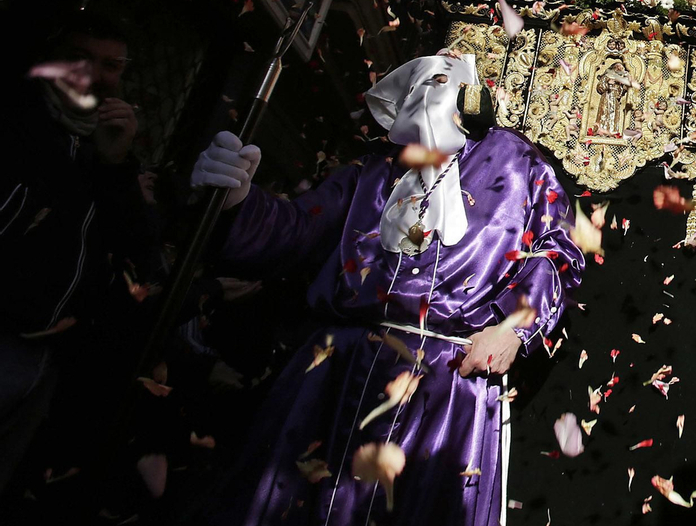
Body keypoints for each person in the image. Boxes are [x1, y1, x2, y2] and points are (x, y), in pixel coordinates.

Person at [190, 52, 584, 525]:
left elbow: (558, 252)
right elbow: (293, 231)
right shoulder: (370, 175)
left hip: (448, 378)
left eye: (443, 85)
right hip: (340, 371)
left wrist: (514, 327)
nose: (430, 100)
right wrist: (236, 200)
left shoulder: (520, 164)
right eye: (418, 89)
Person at [0, 8, 144, 494]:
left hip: (46, 359)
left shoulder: (104, 150)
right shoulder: (20, 119)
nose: (93, 76)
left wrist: (116, 165)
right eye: (79, 59)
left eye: (111, 65)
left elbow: (131, 249)